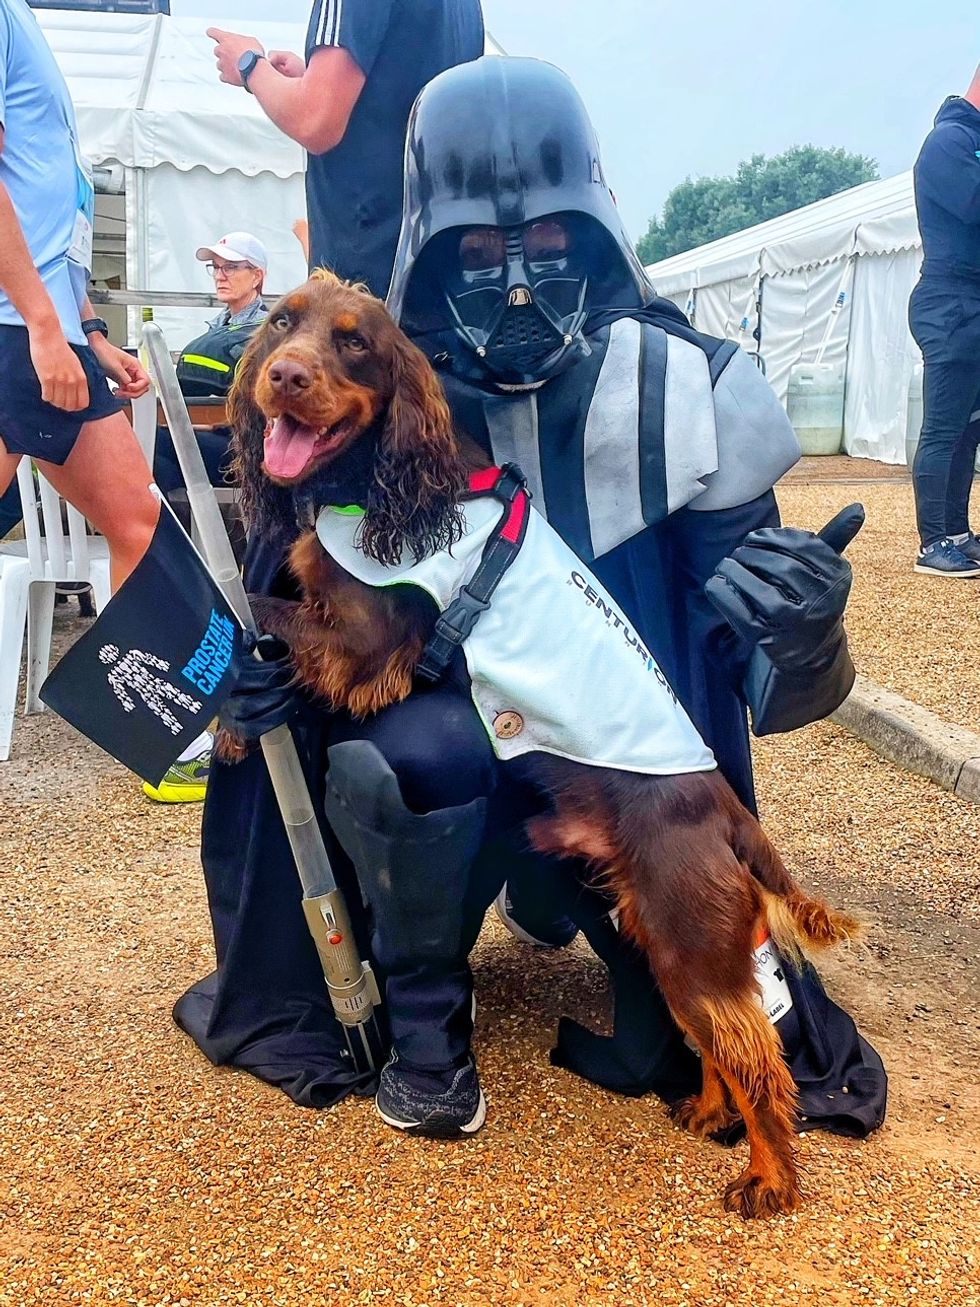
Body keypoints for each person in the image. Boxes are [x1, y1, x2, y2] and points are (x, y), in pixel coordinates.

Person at [179, 58, 886, 1143]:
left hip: (631, 786)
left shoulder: (686, 392)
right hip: (451, 762)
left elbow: (760, 685)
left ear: (595, 233)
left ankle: (594, 938)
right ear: (428, 247)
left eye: (545, 242)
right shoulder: (367, 379)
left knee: (716, 1024)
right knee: (398, 758)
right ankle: (425, 1030)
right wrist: (240, 680)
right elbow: (290, 602)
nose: (514, 280)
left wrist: (807, 631)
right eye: (477, 248)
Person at [172, 0, 488, 1100]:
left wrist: (258, 64)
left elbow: (318, 116)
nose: (287, 366)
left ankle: (422, 1023)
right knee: (257, 695)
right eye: (280, 339)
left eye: (325, 348)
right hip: (397, 332)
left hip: (407, 334)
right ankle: (300, 967)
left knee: (399, 731)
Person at [0, 0, 159, 595]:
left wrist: (90, 333)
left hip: (41, 324)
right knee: (138, 525)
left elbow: (52, 216)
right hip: (19, 324)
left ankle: (130, 689)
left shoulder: (20, 20)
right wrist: (44, 324)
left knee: (138, 523)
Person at [206, 0, 485, 297]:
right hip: (440, 267)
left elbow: (314, 121)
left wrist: (249, 65)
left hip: (365, 281)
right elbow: (406, 103)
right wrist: (313, 82)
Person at [908, 62, 980, 578]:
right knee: (942, 428)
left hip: (970, 300)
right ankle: (932, 542)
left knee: (967, 429)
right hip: (949, 300)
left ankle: (956, 531)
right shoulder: (949, 141)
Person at [152, 231, 270, 497]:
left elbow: (261, 409)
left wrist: (204, 421)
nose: (220, 275)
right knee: (150, 462)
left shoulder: (269, 335)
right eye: (215, 267)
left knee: (153, 447)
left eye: (230, 267)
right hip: (200, 437)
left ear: (257, 276)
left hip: (242, 448)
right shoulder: (216, 331)